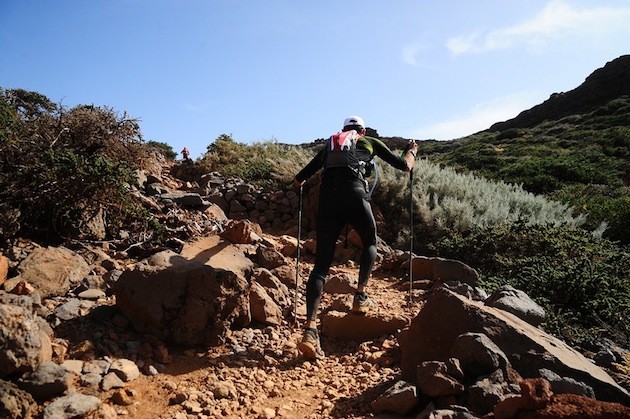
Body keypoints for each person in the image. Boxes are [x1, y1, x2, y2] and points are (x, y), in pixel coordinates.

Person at [292, 115, 417, 360]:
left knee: (320, 266)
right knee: (370, 242)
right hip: (355, 195)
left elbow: (299, 178)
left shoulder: (329, 146)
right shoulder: (370, 141)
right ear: (362, 130)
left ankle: (309, 330)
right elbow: (405, 166)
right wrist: (411, 150)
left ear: (343, 131)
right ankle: (360, 296)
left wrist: (298, 186)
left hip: (328, 201)